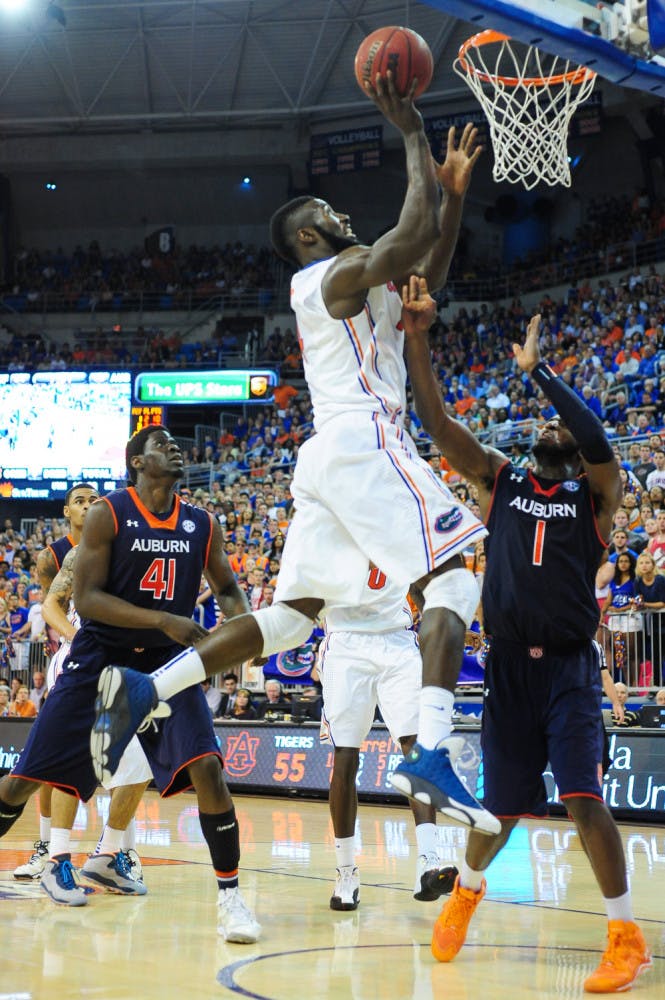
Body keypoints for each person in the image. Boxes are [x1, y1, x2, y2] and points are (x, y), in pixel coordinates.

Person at [89, 78, 498, 839]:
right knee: (455, 571)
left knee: (294, 614)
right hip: (364, 441)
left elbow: (424, 270)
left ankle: (150, 688)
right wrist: (409, 131)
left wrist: (450, 194)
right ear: (306, 238)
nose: (341, 217)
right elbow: (406, 239)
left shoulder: (361, 279)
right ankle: (434, 752)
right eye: (328, 216)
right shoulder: (324, 278)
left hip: (328, 459)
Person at [401, 284, 650, 993]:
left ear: (573, 452)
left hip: (569, 670)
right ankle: (467, 893)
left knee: (582, 799)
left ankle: (625, 936)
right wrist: (418, 339)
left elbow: (597, 442)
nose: (550, 430)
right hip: (508, 669)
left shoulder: (597, 495)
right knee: (499, 809)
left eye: (561, 431)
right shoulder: (499, 478)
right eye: (543, 424)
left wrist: (537, 372)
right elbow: (437, 420)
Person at [0, 426, 260, 942]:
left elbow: (228, 588)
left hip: (166, 664)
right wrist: (162, 619)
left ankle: (231, 900)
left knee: (207, 768)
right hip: (99, 655)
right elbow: (90, 599)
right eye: (161, 444)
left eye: (175, 442)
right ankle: (61, 855)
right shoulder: (109, 513)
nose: (175, 448)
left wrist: (244, 628)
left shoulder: (202, 523)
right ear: (137, 464)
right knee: (23, 781)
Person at [320, 568, 457, 911]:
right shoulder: (330, 523)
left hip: (397, 640)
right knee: (346, 757)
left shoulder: (399, 522)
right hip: (346, 641)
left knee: (416, 747)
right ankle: (346, 872)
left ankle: (428, 861)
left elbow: (419, 584)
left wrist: (444, 625)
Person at [12, 482, 100, 882]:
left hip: (107, 655)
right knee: (53, 757)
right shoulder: (54, 556)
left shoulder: (117, 543)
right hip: (69, 658)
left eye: (93, 500)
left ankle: (114, 849)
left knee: (116, 757)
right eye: (79, 501)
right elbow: (54, 609)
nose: (87, 506)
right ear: (67, 511)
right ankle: (46, 847)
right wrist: (71, 643)